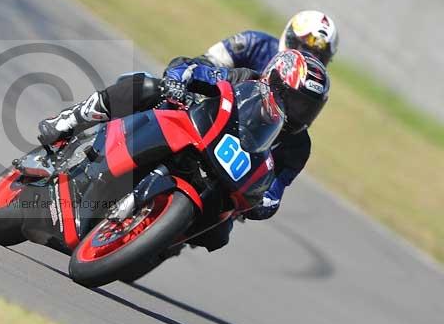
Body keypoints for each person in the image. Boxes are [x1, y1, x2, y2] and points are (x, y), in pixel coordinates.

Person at [38, 45, 331, 252]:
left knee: (218, 234)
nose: (298, 112)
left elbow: (275, 194)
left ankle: (149, 239)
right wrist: (178, 81)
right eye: (294, 101)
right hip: (188, 130)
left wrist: (260, 204)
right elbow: (194, 70)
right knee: (146, 87)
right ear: (274, 80)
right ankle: (71, 119)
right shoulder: (245, 80)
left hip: (222, 179)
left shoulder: (297, 147)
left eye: (308, 108)